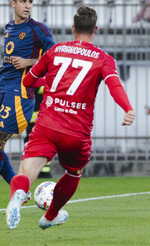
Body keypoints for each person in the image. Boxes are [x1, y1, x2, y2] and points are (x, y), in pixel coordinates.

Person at [5, 5, 135, 230]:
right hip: (76, 131)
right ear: (96, 30)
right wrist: (127, 108)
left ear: (73, 28)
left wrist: (50, 85)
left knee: (26, 171)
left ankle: (18, 194)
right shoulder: (103, 59)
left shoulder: (55, 51)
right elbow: (114, 85)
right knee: (74, 172)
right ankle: (50, 216)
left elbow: (28, 81)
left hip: (47, 123)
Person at [0, 0, 55, 185]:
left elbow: (55, 58)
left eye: (31, 2)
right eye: (23, 1)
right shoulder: (8, 27)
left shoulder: (39, 29)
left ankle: (19, 189)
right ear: (13, 3)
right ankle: (19, 189)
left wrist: (29, 62)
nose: (28, 5)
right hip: (3, 90)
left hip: (19, 94)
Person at [24, 86, 52, 178]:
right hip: (40, 118)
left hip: (37, 117)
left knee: (36, 144)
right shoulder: (49, 78)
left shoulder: (35, 76)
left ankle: (42, 171)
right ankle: (42, 171)